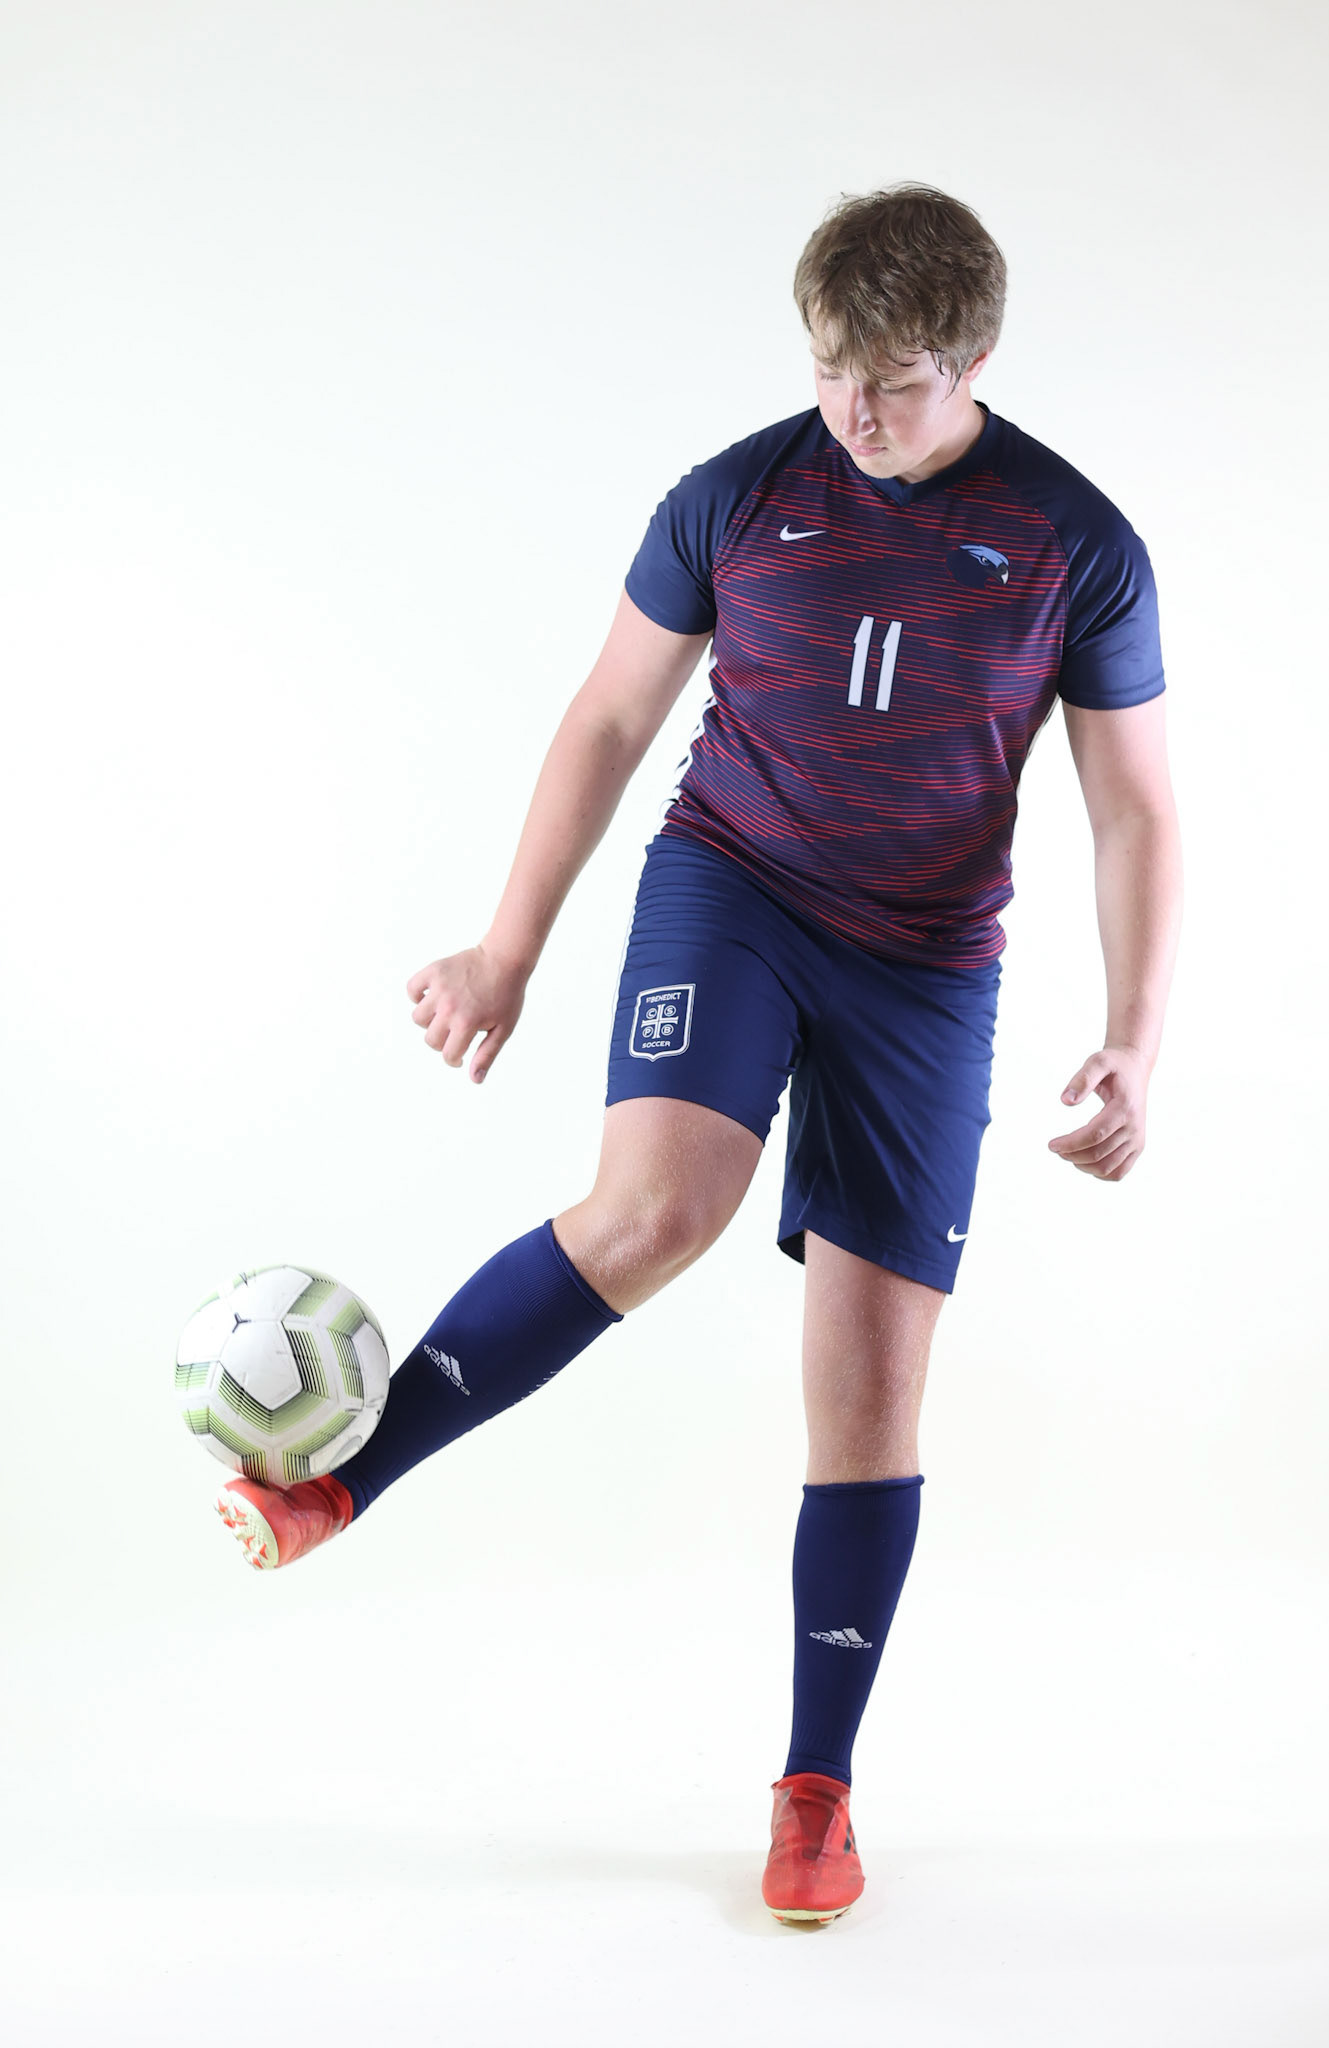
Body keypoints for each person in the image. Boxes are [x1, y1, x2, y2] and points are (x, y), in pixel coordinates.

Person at [213, 182, 1183, 1927]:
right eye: (825, 371)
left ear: (964, 358)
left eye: (885, 382)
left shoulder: (1074, 542)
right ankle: (342, 1481)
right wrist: (504, 947)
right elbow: (608, 712)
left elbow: (1132, 807)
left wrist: (1133, 1039)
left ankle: (815, 1792)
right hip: (730, 888)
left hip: (923, 970)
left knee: (873, 1386)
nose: (849, 413)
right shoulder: (739, 493)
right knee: (654, 1210)